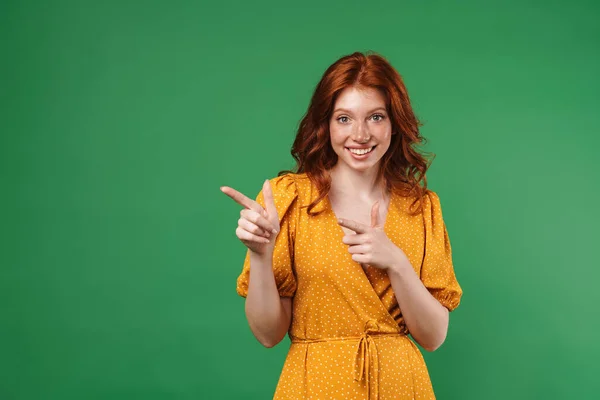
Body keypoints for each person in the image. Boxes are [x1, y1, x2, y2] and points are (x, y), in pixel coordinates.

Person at [220, 51, 462, 400]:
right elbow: (268, 335)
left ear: (394, 123)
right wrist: (260, 255)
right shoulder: (289, 199)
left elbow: (434, 337)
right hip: (314, 385)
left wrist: (396, 262)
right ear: (326, 124)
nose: (360, 134)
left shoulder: (421, 207)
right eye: (344, 118)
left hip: (401, 386)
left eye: (375, 117)